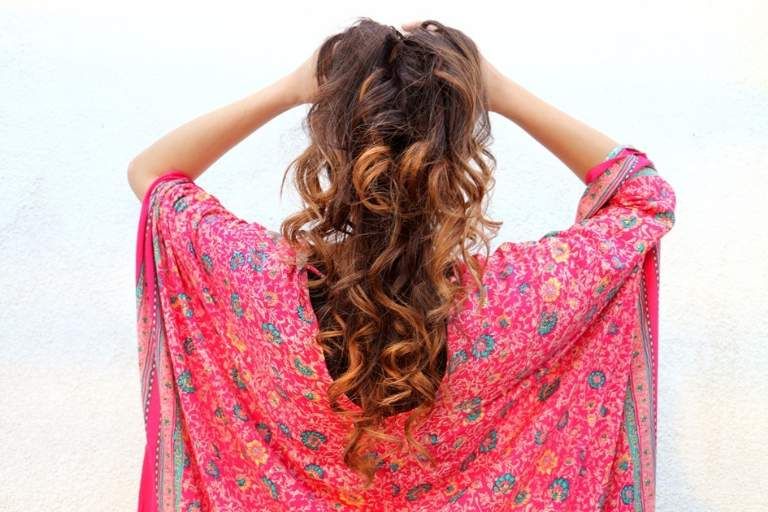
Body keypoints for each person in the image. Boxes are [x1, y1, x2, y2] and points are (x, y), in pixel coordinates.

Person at [128, 17, 676, 512]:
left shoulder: (262, 289)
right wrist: (499, 92)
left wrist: (291, 89)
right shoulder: (513, 303)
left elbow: (153, 174)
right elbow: (644, 198)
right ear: (455, 159)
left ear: (332, 148)